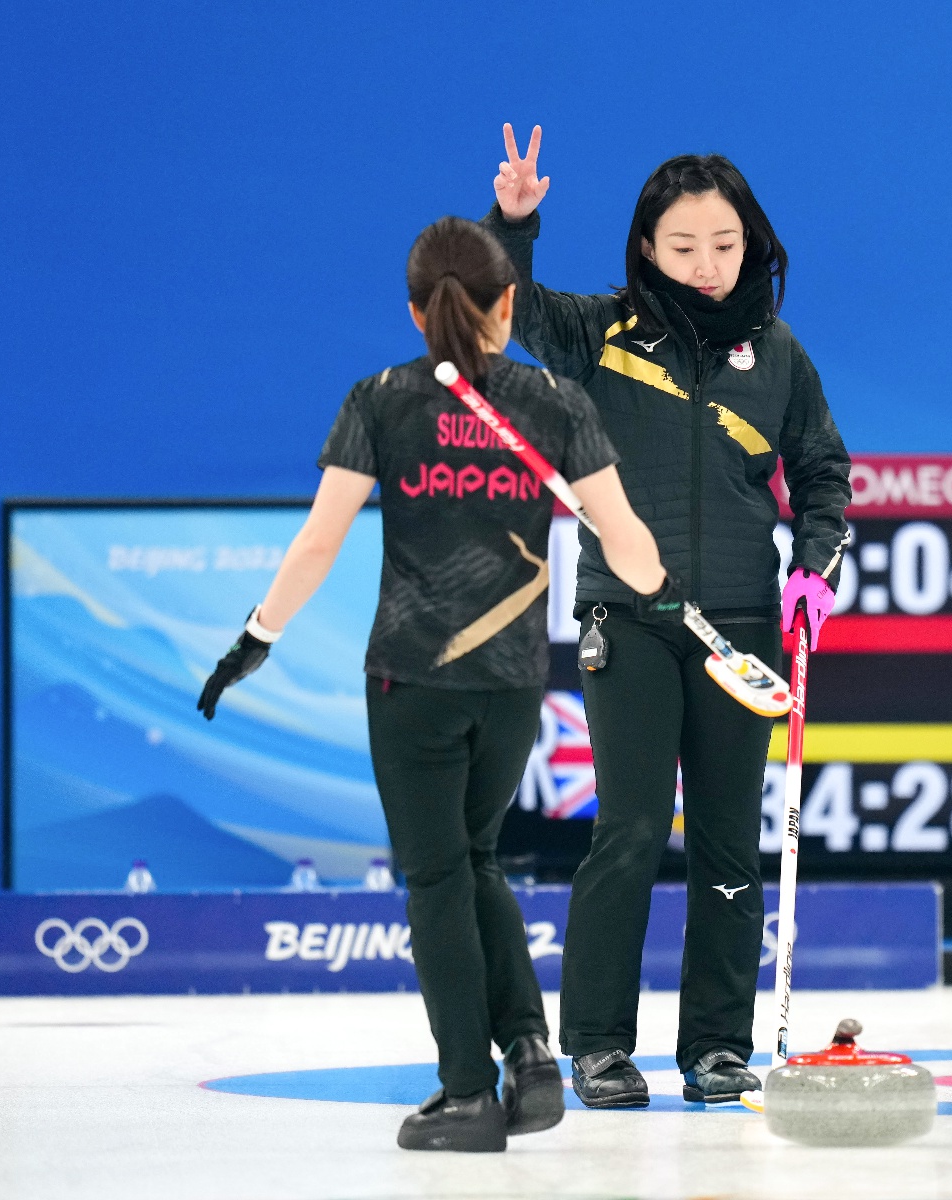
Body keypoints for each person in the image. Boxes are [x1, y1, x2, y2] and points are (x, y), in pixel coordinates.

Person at [196, 216, 675, 1152]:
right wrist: (659, 583)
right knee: (476, 859)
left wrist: (255, 641)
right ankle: (530, 1052)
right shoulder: (555, 403)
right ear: (507, 303)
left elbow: (320, 542)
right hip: (509, 688)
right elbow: (635, 555)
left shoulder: (382, 398)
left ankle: (466, 1094)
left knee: (436, 877)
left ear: (415, 311)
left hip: (411, 677)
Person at [480, 128, 852, 1108]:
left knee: (729, 841)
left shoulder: (776, 355)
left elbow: (821, 472)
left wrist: (813, 567)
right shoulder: (600, 333)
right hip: (627, 618)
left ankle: (716, 1049)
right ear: (646, 247)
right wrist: (514, 224)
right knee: (633, 829)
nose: (705, 264)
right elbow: (516, 315)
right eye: (682, 245)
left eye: (723, 244)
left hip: (742, 628)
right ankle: (598, 1047)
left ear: (749, 243)